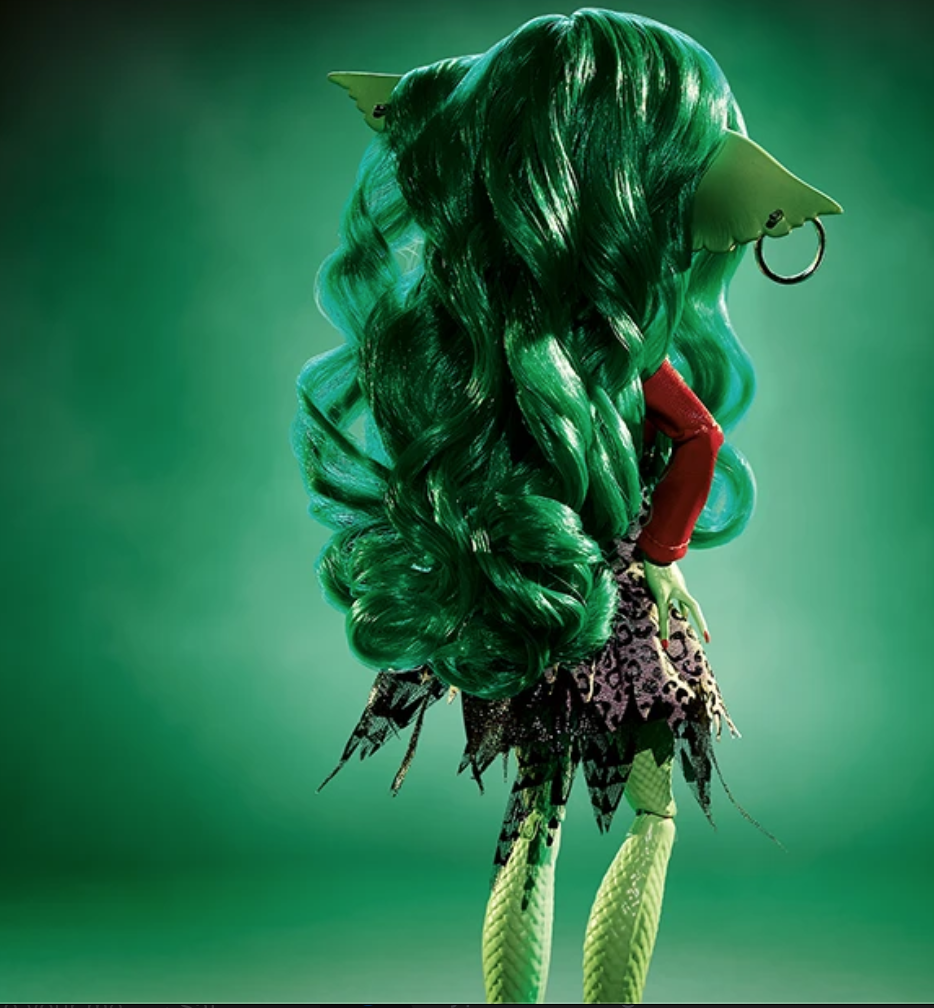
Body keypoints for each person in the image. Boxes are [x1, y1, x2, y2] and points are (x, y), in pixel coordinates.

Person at [293, 9, 841, 1004]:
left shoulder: (484, 350)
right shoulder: (626, 353)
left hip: (527, 591)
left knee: (530, 824)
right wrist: (662, 557)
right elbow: (700, 438)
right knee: (651, 817)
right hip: (616, 598)